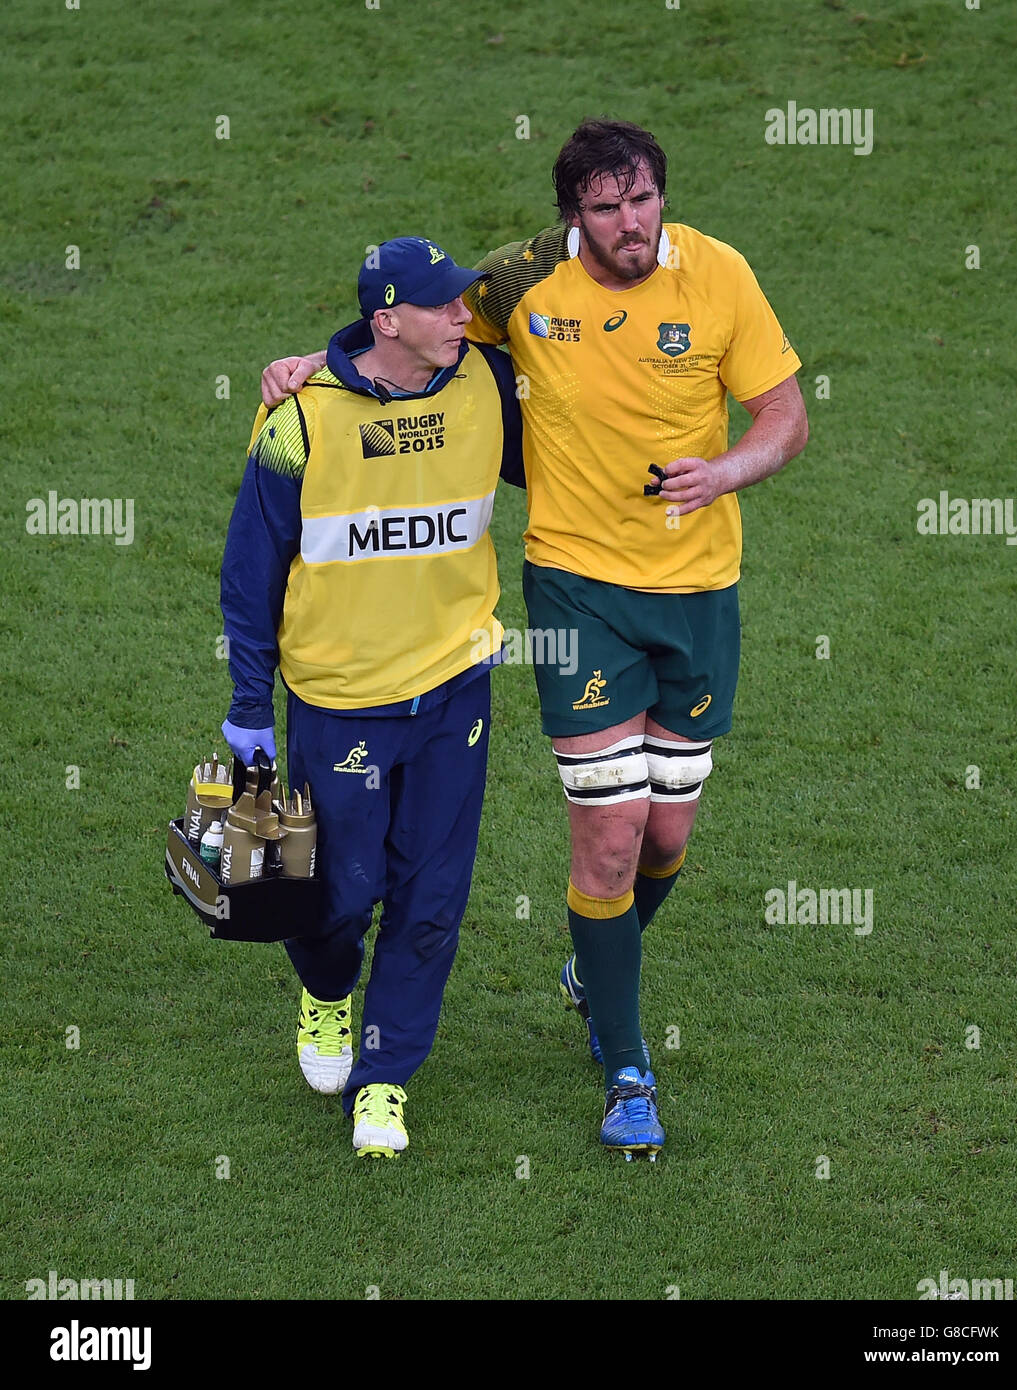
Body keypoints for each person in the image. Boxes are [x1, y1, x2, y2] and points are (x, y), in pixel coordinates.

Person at [260, 120, 808, 1161]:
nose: (629, 223)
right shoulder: (521, 284)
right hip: (575, 592)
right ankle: (627, 1070)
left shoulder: (720, 276)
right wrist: (312, 364)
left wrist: (724, 472)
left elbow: (784, 414)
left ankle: (590, 966)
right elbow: (404, 324)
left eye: (641, 199)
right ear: (572, 218)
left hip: (698, 597)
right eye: (605, 209)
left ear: (660, 195)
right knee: (607, 838)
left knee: (664, 840)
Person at [222, 236, 523, 1158]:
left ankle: (384, 1080)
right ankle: (323, 995)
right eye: (441, 307)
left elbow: (572, 309)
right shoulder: (296, 420)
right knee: (337, 901)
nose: (462, 318)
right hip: (339, 700)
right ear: (387, 319)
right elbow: (250, 570)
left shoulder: (489, 384)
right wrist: (246, 706)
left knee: (431, 900)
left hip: (453, 688)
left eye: (464, 303)